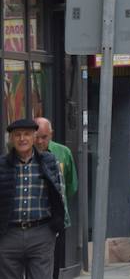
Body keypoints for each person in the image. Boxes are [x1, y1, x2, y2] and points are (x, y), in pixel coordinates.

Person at [0, 118, 65, 279]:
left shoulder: (49, 162)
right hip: (8, 235)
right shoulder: (2, 165)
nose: (22, 139)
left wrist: (56, 227)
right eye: (17, 135)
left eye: (27, 134)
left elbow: (60, 194)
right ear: (11, 139)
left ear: (34, 137)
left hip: (41, 234)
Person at [33, 118, 75, 279]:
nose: (40, 141)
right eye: (37, 137)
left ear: (51, 135)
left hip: (57, 220)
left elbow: (71, 185)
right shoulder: (24, 154)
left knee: (54, 264)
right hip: (33, 221)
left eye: (44, 137)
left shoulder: (63, 153)